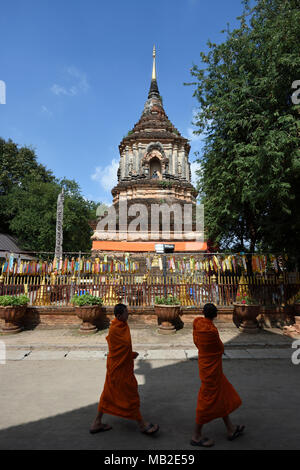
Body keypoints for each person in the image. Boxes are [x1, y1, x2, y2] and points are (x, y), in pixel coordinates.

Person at [90, 303, 159, 436]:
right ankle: (142, 424)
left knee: (108, 393)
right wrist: (130, 354)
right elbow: (119, 347)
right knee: (130, 393)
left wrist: (131, 354)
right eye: (126, 313)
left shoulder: (122, 325)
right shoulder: (115, 329)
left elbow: (123, 348)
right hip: (118, 367)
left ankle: (97, 422)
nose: (128, 314)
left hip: (119, 365)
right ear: (119, 315)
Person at [191, 303, 245, 447]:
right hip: (212, 373)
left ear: (203, 312)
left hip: (207, 368)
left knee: (220, 397)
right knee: (207, 401)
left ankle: (230, 429)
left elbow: (196, 342)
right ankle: (196, 435)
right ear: (216, 315)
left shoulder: (197, 323)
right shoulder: (212, 331)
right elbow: (220, 348)